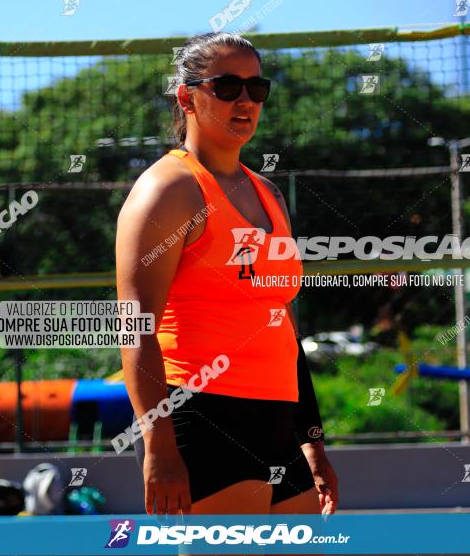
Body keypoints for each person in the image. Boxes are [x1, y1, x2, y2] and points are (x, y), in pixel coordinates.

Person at [116, 31, 338, 517]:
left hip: (277, 419)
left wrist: (312, 442)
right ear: (186, 97)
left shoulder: (268, 195)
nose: (245, 100)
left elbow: (282, 327)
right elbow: (133, 329)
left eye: (256, 89)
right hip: (200, 414)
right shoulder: (168, 190)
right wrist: (160, 448)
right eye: (227, 86)